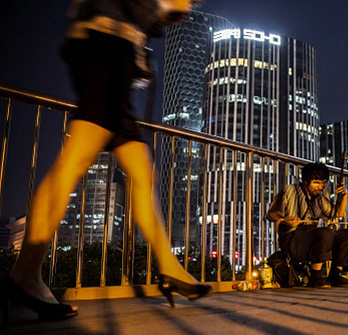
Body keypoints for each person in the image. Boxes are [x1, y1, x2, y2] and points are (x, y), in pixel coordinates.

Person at [0, 0, 209, 322]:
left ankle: (169, 267)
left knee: (142, 172)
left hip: (115, 49)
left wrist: (161, 16)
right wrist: (168, 5)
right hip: (106, 43)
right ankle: (25, 274)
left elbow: (149, 20)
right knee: (75, 160)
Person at [266, 162, 348, 288]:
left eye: (323, 182)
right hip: (293, 237)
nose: (321, 187)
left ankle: (335, 275)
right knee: (325, 232)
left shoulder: (320, 198)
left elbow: (337, 213)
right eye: (316, 183)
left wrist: (344, 195)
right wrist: (285, 220)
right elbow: (270, 214)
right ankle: (316, 276)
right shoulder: (289, 191)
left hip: (313, 237)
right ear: (306, 181)